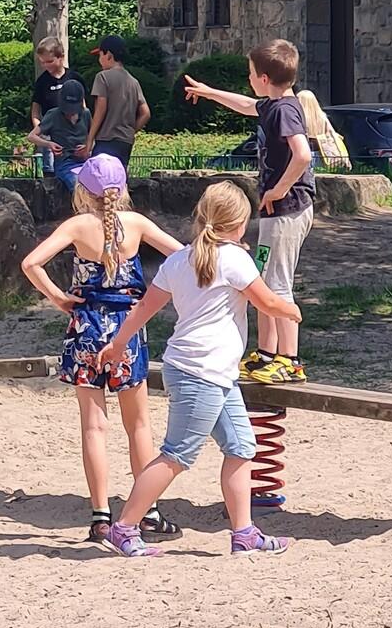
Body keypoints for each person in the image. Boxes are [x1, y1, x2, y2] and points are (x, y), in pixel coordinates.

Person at [97, 182, 302, 558]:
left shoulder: (180, 260)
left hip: (210, 372)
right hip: (200, 372)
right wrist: (293, 310)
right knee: (176, 455)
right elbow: (267, 303)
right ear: (239, 223)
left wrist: (119, 342)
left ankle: (244, 533)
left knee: (241, 446)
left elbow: (145, 308)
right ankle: (124, 527)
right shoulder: (234, 259)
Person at [21, 154, 185, 543]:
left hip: (86, 327)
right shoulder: (137, 223)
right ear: (122, 188)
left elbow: (31, 263)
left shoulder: (77, 225)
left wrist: (59, 298)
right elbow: (184, 255)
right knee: (138, 424)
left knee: (94, 425)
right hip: (128, 328)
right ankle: (147, 511)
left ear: (83, 190)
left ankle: (100, 516)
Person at [183, 38, 314, 384]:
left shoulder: (285, 110)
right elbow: (245, 104)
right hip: (276, 211)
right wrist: (209, 92)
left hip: (287, 209)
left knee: (277, 285)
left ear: (264, 78)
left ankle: (290, 361)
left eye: (251, 73)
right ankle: (267, 354)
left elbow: (302, 155)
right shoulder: (272, 105)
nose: (249, 78)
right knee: (264, 280)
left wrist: (279, 190)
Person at [84, 36, 150, 170]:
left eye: (100, 55)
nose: (99, 60)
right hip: (125, 142)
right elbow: (146, 113)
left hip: (106, 139)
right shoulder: (133, 81)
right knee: (118, 176)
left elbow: (100, 109)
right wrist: (130, 130)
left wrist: (90, 139)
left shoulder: (102, 77)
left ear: (109, 55)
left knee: (100, 177)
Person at [30, 37, 86, 176]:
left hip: (73, 134)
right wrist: (42, 134)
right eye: (42, 62)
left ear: (61, 57)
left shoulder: (74, 78)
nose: (45, 66)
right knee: (50, 170)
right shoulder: (42, 82)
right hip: (50, 133)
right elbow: (35, 111)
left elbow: (83, 108)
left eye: (49, 61)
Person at [26, 79, 91, 190]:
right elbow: (31, 136)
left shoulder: (86, 114)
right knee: (77, 184)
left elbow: (93, 137)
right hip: (65, 162)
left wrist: (87, 147)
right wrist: (49, 144)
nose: (70, 113)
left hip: (86, 161)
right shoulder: (53, 115)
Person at [296, 89, 351, 171]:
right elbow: (331, 132)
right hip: (321, 152)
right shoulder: (322, 116)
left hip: (303, 152)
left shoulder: (298, 117)